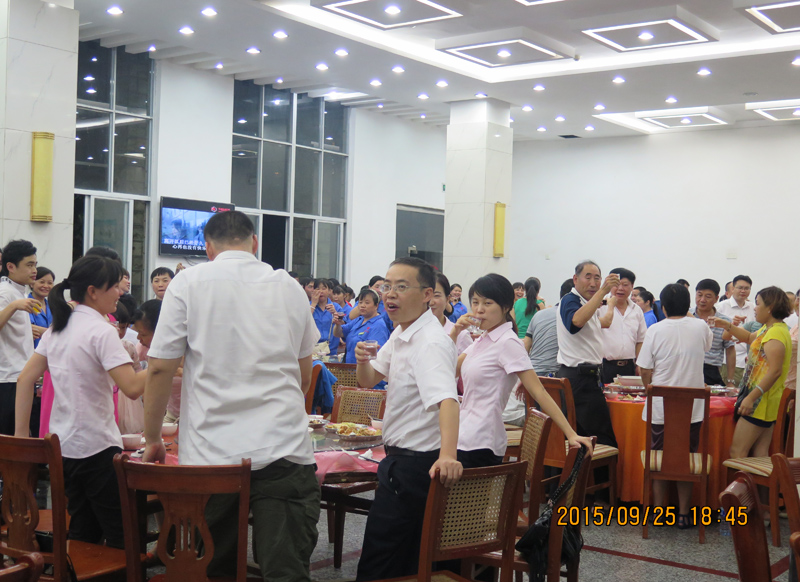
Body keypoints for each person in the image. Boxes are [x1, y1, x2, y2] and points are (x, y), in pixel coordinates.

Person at [142, 210, 321, 580]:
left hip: (211, 453)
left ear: (208, 249)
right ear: (254, 243)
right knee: (286, 570)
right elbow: (305, 375)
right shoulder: (289, 287)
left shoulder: (188, 283)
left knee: (211, 569)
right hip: (284, 447)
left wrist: (153, 438)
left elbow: (159, 368)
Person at [14, 255, 145, 547]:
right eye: (115, 286)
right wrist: (162, 362)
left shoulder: (58, 328)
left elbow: (24, 380)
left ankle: (79, 569)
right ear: (93, 291)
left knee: (83, 530)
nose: (120, 292)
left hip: (64, 447)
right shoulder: (101, 331)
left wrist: (22, 438)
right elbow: (133, 387)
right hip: (98, 447)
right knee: (123, 534)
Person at [354, 257, 461, 582]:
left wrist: (448, 455)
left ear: (427, 294)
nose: (390, 294)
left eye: (401, 287)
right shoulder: (403, 333)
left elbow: (448, 400)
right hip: (401, 462)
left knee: (381, 563)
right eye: (387, 286)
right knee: (401, 560)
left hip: (415, 467)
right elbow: (369, 380)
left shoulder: (429, 342)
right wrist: (362, 360)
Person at [453, 274, 593, 468]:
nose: (479, 309)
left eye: (487, 303)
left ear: (506, 307)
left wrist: (570, 433)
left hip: (480, 441)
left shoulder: (507, 342)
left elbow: (538, 391)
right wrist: (455, 333)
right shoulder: (483, 340)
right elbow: (450, 370)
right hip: (462, 434)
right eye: (475, 302)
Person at [636, 283, 713, 529]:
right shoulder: (701, 326)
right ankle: (683, 514)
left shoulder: (655, 330)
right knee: (685, 459)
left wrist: (649, 388)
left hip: (659, 408)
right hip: (693, 410)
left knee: (659, 458)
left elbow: (644, 369)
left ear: (663, 307)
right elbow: (707, 346)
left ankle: (659, 512)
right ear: (688, 304)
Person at [710, 287, 793, 461]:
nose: (754, 308)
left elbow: (775, 371)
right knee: (760, 453)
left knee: (737, 452)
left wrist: (751, 397)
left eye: (758, 304)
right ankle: (762, 481)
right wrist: (727, 325)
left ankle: (743, 481)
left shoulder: (776, 333)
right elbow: (748, 338)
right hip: (764, 401)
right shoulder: (770, 328)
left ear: (770, 308)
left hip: (760, 402)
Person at [555, 260, 619, 448]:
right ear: (575, 279)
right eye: (588, 277)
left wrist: (610, 305)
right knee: (604, 441)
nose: (593, 283)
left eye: (597, 278)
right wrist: (603, 291)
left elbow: (603, 323)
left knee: (585, 440)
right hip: (579, 379)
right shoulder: (570, 300)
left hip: (588, 379)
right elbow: (576, 322)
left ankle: (584, 468)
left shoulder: (586, 304)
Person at [0, 240, 40, 435]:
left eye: (35, 264)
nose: (34, 270)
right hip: (8, 379)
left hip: (21, 376)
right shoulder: (5, 292)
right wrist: (14, 306)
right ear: (10, 267)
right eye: (29, 265)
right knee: (10, 441)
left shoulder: (18, 291)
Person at [598, 268, 648, 385]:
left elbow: (640, 340)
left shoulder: (636, 310)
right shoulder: (600, 306)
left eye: (625, 285)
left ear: (632, 286)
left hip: (629, 367)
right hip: (605, 366)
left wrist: (639, 364)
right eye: (616, 285)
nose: (620, 288)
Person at [524, 279, 575, 377]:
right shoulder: (573, 317)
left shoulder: (539, 314)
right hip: (555, 375)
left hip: (533, 372)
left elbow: (526, 345)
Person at [691, 279, 736, 387]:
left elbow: (730, 351)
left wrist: (730, 381)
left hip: (712, 371)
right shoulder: (686, 316)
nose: (702, 300)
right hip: (689, 368)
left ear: (716, 299)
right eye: (699, 295)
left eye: (708, 296)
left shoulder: (724, 322)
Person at [716, 275, 756, 386]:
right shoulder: (721, 307)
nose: (743, 291)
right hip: (727, 361)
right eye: (740, 288)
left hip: (748, 362)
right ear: (733, 289)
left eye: (747, 288)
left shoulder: (753, 308)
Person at [333, 289, 390, 365]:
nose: (362, 305)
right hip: (349, 368)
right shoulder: (359, 320)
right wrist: (337, 324)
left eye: (367, 303)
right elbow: (339, 333)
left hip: (364, 369)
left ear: (376, 306)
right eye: (360, 302)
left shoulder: (379, 325)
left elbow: (376, 356)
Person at [310, 278, 344, 355]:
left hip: (331, 349)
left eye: (324, 288)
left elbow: (343, 324)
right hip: (312, 350)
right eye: (317, 289)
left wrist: (335, 313)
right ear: (313, 291)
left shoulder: (336, 307)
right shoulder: (309, 305)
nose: (321, 291)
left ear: (329, 291)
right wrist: (313, 304)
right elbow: (304, 322)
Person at [29, 267, 54, 348]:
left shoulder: (53, 306)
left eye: (50, 283)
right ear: (32, 283)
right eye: (42, 282)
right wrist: (56, 334)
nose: (46, 286)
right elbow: (27, 328)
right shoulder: (25, 304)